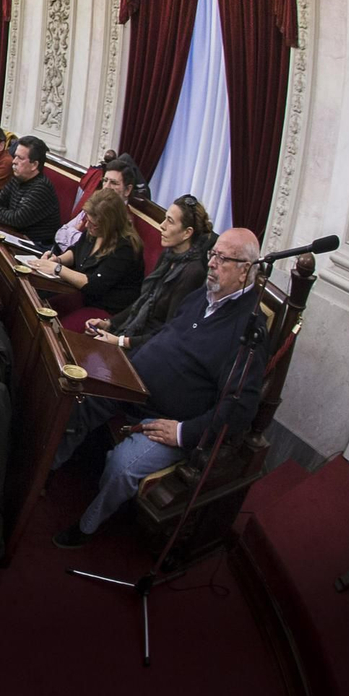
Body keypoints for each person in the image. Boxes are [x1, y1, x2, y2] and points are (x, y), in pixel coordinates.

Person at [53, 229, 264, 547]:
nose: (212, 264)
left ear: (246, 269)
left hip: (168, 421)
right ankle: (47, 470)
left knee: (122, 468)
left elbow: (240, 407)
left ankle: (88, 525)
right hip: (133, 384)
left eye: (222, 258)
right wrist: (122, 351)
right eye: (212, 255)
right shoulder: (202, 296)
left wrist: (184, 432)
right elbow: (164, 333)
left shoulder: (248, 330)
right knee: (77, 396)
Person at [89, 195, 215, 351]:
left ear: (187, 233)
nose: (162, 226)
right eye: (164, 219)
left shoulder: (192, 273)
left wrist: (121, 341)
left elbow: (169, 331)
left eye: (170, 221)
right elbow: (143, 300)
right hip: (134, 334)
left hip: (150, 348)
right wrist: (109, 323)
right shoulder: (168, 256)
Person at [33, 189, 146, 316]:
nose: (87, 226)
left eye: (93, 224)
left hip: (104, 309)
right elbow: (76, 251)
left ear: (109, 224)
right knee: (36, 296)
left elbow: (94, 285)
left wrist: (58, 269)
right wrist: (58, 260)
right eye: (87, 220)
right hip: (80, 294)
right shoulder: (94, 231)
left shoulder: (125, 248)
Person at [0, 136, 62, 247]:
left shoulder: (41, 188)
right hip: (17, 236)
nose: (14, 161)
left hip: (37, 245)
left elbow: (16, 220)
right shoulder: (17, 178)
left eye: (20, 158)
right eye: (15, 156)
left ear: (34, 165)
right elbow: (1, 201)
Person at [55, 158, 133, 252]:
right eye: (105, 180)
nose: (106, 187)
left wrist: (72, 233)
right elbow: (60, 233)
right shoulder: (95, 204)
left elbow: (91, 251)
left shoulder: (123, 219)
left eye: (113, 183)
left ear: (127, 190)